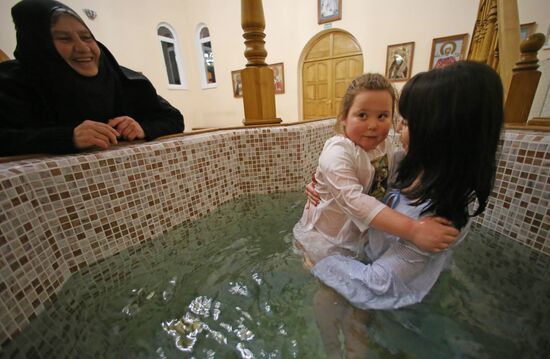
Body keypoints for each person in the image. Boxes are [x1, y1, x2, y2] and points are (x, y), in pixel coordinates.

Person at [311, 61, 504, 311]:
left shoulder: (442, 218)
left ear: (439, 132)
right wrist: (329, 182)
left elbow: (376, 284)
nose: (397, 127)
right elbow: (361, 182)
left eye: (407, 121)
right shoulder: (407, 165)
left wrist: (318, 263)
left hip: (398, 307)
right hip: (362, 266)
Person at [293, 73, 458, 266]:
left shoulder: (385, 146)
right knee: (329, 290)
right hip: (324, 238)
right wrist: (414, 230)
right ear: (344, 117)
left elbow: (399, 173)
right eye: (362, 115)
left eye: (382, 116)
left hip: (357, 236)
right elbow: (354, 199)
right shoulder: (337, 151)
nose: (372, 125)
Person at [0, 0, 184, 157]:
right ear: (39, 45)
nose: (82, 48)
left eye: (86, 37)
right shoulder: (11, 85)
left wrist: (142, 128)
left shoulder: (122, 80)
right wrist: (67, 137)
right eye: (64, 39)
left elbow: (173, 118)